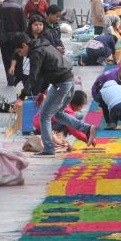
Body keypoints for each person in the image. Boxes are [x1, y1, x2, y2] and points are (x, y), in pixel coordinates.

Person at [27, 27, 96, 156]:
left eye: (21, 51)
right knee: (58, 114)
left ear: (24, 45)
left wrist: (23, 94)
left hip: (61, 84)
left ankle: (48, 148)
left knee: (45, 116)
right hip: (66, 81)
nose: (21, 54)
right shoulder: (46, 47)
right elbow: (47, 73)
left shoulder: (36, 53)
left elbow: (35, 75)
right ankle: (87, 128)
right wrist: (42, 91)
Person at [0, 0, 27, 86]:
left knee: (6, 57)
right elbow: (24, 24)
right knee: (18, 55)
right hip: (17, 36)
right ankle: (18, 75)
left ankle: (10, 78)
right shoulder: (19, 7)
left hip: (4, 37)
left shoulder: (0, 8)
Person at [92, 62, 121, 126]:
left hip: (108, 90)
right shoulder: (112, 77)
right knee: (107, 104)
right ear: (120, 71)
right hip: (98, 92)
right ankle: (109, 122)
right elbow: (111, 93)